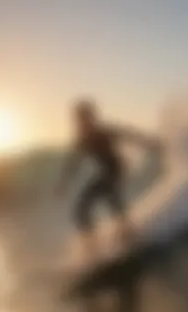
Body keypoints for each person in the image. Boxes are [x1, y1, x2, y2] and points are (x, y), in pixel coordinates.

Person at [56, 98, 161, 264]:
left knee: (112, 198)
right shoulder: (82, 140)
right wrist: (63, 182)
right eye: (80, 120)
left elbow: (128, 135)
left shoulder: (104, 131)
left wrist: (150, 143)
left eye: (86, 118)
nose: (83, 123)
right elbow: (73, 163)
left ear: (91, 118)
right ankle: (92, 249)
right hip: (105, 173)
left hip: (116, 170)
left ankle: (130, 235)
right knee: (81, 210)